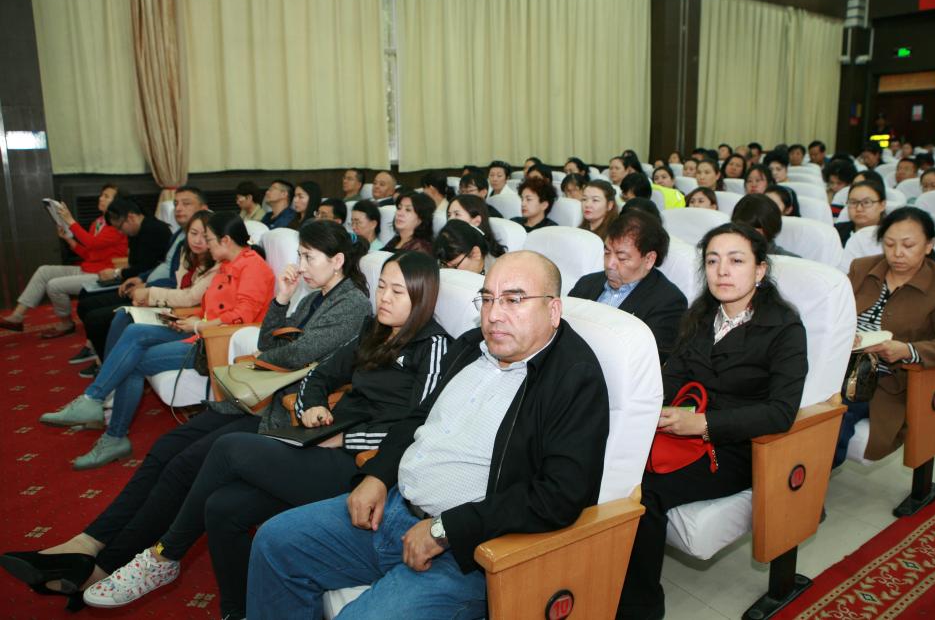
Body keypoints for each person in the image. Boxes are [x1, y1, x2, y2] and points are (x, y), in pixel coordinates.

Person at [0, 220, 371, 608]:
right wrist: (281, 299)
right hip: (262, 398)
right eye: (300, 256)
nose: (301, 265)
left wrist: (267, 353)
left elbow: (293, 354)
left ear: (337, 260)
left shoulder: (352, 304)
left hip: (284, 413)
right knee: (165, 447)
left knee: (184, 464)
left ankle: (104, 564)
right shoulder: (314, 297)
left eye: (309, 257)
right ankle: (88, 542)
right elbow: (269, 342)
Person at [80, 251, 447, 618]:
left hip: (363, 467)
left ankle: (164, 555)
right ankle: (236, 612)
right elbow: (318, 376)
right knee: (221, 508)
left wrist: (349, 439)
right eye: (381, 287)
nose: (383, 298)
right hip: (324, 443)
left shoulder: (433, 347)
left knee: (228, 448)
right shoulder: (374, 330)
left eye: (397, 292)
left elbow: (417, 428)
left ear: (422, 296)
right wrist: (312, 406)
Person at [246, 251, 610, 620]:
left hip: (466, 552)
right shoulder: (470, 346)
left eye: (514, 300)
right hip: (394, 508)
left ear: (553, 310)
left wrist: (445, 529)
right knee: (274, 543)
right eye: (487, 299)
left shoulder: (574, 378)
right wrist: (377, 476)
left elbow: (560, 495)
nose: (494, 314)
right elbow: (418, 417)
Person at [617, 222, 807, 619]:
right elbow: (673, 376)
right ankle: (603, 577)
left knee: (645, 493)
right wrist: (649, 410)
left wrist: (704, 425)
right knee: (611, 463)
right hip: (683, 433)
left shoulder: (784, 328)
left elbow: (781, 412)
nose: (722, 271)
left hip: (738, 447)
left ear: (760, 270)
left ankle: (641, 608)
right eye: (712, 261)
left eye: (736, 261)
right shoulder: (701, 315)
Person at [37, 212, 274, 468]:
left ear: (226, 240)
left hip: (219, 344)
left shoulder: (253, 268)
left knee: (134, 362)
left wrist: (197, 324)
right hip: (201, 331)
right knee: (135, 332)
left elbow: (241, 316)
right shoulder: (228, 264)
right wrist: (186, 318)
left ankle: (113, 434)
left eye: (209, 239)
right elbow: (213, 308)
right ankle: (93, 400)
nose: (206, 245)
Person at [833, 208, 935, 465]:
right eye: (889, 244)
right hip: (836, 365)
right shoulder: (862, 268)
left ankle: (810, 482)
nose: (897, 253)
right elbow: (832, 313)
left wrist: (908, 350)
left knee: (834, 413)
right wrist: (842, 334)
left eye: (908, 245)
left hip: (884, 381)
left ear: (929, 245)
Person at [74, 188, 205, 369]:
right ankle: (106, 365)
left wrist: (147, 287)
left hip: (172, 303)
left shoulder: (199, 243)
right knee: (105, 309)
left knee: (107, 318)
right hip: (156, 291)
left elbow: (182, 286)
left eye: (186, 203)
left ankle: (108, 366)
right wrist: (142, 280)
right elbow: (163, 266)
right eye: (176, 204)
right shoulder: (181, 234)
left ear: (203, 208)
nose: (178, 208)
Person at [1, 184, 125, 335]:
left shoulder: (117, 225)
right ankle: (17, 316)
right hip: (88, 268)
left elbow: (92, 243)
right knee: (44, 271)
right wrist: (68, 239)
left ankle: (66, 324)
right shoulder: (98, 223)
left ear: (117, 202)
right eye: (101, 195)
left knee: (54, 285)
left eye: (106, 196)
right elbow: (89, 253)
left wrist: (70, 221)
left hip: (103, 274)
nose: (101, 198)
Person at [569, 212, 686, 362]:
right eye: (607, 253)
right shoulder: (587, 283)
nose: (609, 264)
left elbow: (646, 360)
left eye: (621, 258)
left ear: (649, 259)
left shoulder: (669, 302)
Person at [104, 211, 218, 363]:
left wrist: (150, 294)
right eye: (193, 233)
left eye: (204, 236)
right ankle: (108, 367)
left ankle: (110, 370)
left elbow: (190, 297)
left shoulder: (217, 263)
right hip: (174, 313)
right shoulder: (187, 252)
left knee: (133, 333)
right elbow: (178, 287)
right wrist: (151, 300)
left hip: (186, 318)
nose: (197, 240)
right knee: (124, 315)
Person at [732, 194, 798, 257]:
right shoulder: (728, 254)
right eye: (741, 229)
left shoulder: (792, 261)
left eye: (755, 230)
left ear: (770, 228)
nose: (748, 234)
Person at [835, 180, 886, 246]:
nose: (859, 209)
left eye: (866, 202)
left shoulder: (891, 233)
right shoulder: (835, 232)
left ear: (882, 205)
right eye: (853, 202)